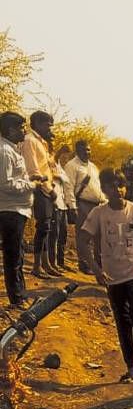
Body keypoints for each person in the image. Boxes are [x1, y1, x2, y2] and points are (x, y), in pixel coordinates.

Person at [77, 168, 133, 383]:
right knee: (122, 319)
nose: (118, 190)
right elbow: (82, 240)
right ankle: (130, 367)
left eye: (121, 185)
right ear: (104, 189)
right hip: (111, 274)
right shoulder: (99, 213)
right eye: (112, 186)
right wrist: (95, 269)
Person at [0, 112, 40, 310]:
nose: (25, 130)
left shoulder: (11, 149)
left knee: (17, 254)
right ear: (10, 130)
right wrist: (31, 185)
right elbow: (6, 184)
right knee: (13, 256)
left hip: (17, 210)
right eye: (22, 127)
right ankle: (17, 299)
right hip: (10, 210)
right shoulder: (4, 151)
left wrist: (29, 181)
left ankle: (20, 295)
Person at [20, 111, 59, 279]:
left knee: (46, 227)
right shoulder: (30, 140)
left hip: (46, 188)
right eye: (47, 125)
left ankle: (45, 263)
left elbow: (47, 167)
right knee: (42, 227)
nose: (50, 129)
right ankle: (37, 266)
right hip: (39, 188)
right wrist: (49, 190)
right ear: (37, 124)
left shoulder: (41, 142)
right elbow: (33, 170)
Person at [64, 140, 105, 274]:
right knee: (84, 235)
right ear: (77, 151)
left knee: (99, 235)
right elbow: (68, 186)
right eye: (83, 150)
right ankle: (84, 263)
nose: (87, 152)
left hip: (97, 204)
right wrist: (72, 206)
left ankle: (98, 264)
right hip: (82, 203)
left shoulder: (93, 167)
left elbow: (98, 186)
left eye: (88, 149)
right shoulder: (72, 165)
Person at [47, 144, 71, 271]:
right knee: (54, 234)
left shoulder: (61, 168)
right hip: (54, 202)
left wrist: (60, 176)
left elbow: (66, 180)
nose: (66, 159)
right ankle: (53, 262)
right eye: (64, 156)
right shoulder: (51, 163)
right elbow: (50, 176)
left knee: (63, 234)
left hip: (63, 204)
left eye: (67, 157)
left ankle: (61, 261)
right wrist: (59, 176)